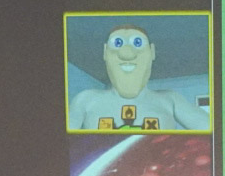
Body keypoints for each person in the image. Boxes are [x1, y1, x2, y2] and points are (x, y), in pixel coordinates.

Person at [69, 24, 210, 131]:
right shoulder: (85, 100)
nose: (127, 54)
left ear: (152, 51)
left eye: (138, 43)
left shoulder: (171, 100)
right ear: (105, 52)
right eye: (117, 43)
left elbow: (216, 131)